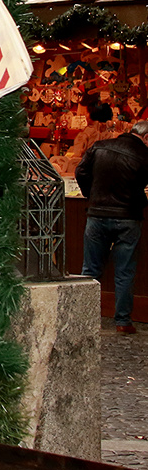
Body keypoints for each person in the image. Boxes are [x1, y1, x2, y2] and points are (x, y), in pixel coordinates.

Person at [76, 118, 148, 333]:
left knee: (90, 270)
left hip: (97, 215)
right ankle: (123, 322)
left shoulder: (99, 147)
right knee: (124, 271)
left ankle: (84, 320)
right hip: (128, 217)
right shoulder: (144, 156)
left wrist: (92, 195)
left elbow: (80, 172)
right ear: (146, 137)